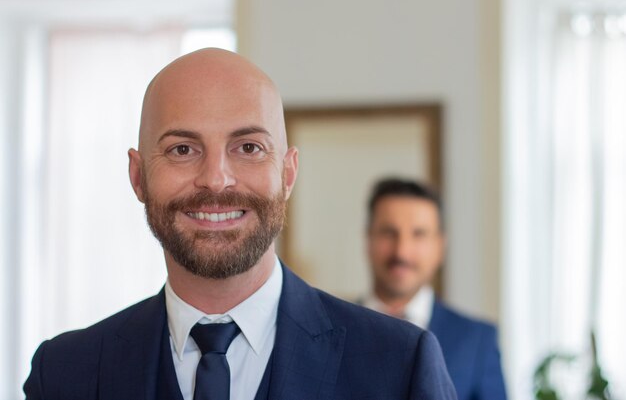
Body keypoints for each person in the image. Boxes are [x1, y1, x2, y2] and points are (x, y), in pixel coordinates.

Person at [23, 49, 456, 400]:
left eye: (248, 147)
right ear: (138, 176)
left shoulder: (399, 366)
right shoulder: (65, 375)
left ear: (288, 174)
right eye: (181, 149)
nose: (215, 179)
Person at [361, 178, 507, 400]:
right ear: (368, 239)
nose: (402, 251)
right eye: (389, 233)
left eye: (418, 234)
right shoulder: (328, 331)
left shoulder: (477, 342)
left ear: (440, 247)